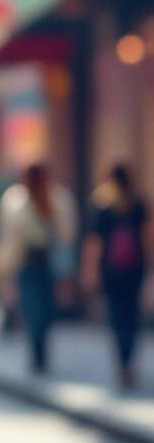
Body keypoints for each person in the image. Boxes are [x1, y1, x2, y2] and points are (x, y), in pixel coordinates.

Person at [0, 162, 78, 374]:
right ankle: (38, 354)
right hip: (27, 264)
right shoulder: (16, 199)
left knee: (43, 311)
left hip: (48, 263)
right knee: (34, 310)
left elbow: (66, 236)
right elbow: (8, 238)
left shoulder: (56, 198)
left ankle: (40, 352)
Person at [80, 163, 150, 390]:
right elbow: (147, 238)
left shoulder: (103, 206)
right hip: (135, 268)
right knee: (132, 315)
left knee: (117, 315)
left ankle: (122, 363)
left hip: (112, 270)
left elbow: (95, 243)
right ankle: (128, 360)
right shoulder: (138, 204)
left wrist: (90, 270)